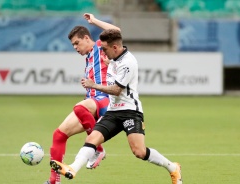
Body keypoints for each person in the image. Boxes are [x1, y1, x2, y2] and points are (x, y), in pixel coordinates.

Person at [50, 29, 183, 184]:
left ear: (114, 48)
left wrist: (94, 85)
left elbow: (116, 90)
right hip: (113, 112)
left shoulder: (128, 63)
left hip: (130, 112)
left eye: (105, 49)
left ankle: (173, 168)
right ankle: (73, 168)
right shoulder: (112, 59)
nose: (103, 53)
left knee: (139, 152)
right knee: (92, 138)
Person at [44, 13, 121, 184]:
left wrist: (94, 21)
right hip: (93, 101)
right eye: (73, 45)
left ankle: (98, 149)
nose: (75, 48)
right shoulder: (88, 59)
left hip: (105, 100)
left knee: (79, 107)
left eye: (77, 43)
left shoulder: (101, 46)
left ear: (87, 38)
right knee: (59, 135)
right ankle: (54, 181)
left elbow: (116, 31)